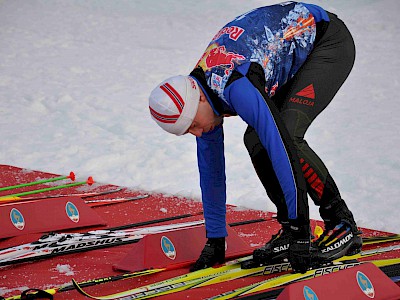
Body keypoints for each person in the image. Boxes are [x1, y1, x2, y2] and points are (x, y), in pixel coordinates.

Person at [149, 2, 362, 273]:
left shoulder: (235, 85)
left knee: (287, 133)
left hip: (328, 42)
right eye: (187, 132)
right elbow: (211, 173)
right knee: (256, 139)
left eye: (192, 125)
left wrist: (300, 229)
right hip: (288, 53)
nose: (197, 133)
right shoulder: (199, 99)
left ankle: (341, 223)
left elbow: (280, 147)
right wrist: (215, 238)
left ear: (200, 98)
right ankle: (290, 226)